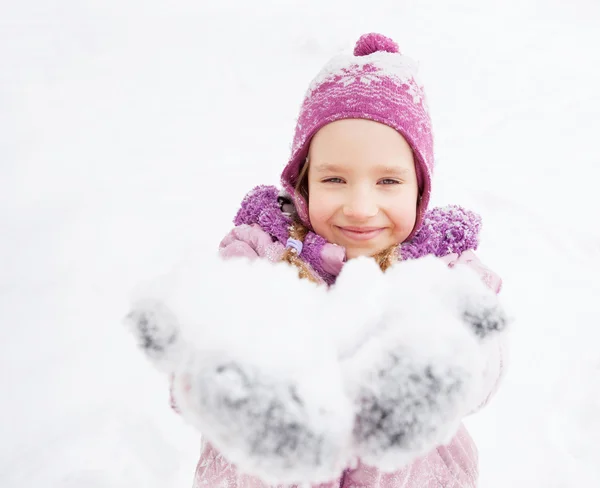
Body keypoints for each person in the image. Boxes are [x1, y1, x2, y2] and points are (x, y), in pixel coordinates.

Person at [135, 33, 508, 488]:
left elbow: (483, 361)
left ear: (420, 189)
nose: (360, 207)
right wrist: (230, 381)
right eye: (335, 179)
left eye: (388, 181)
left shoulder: (444, 273)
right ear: (303, 182)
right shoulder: (259, 256)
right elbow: (213, 336)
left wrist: (431, 377)